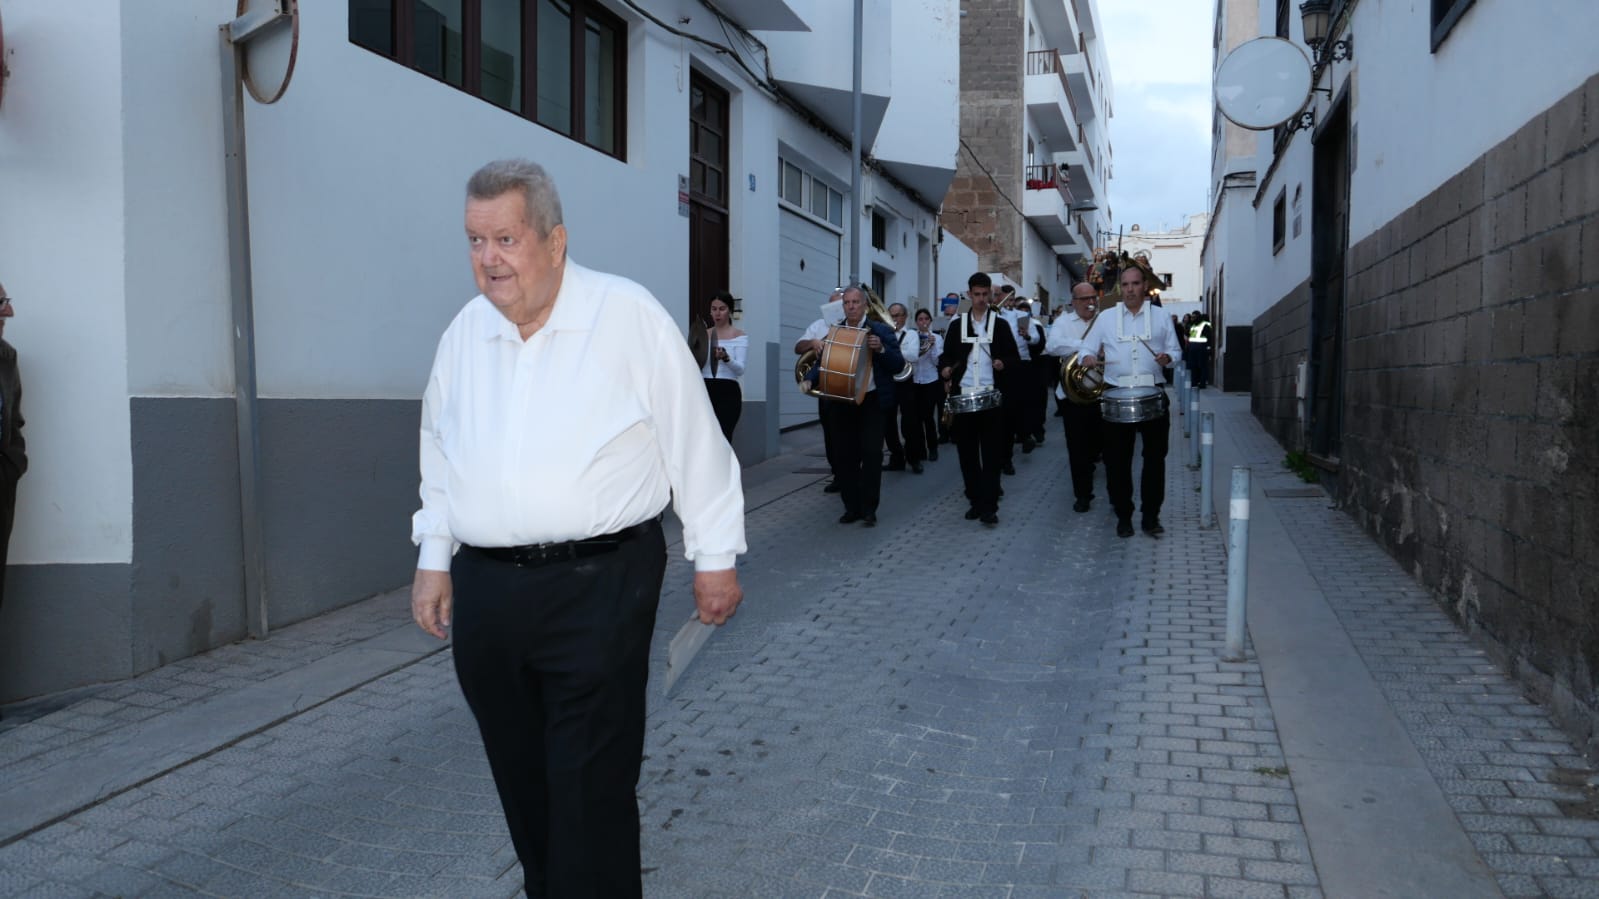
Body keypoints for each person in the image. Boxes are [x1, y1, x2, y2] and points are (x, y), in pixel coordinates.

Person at [409, 159, 745, 898]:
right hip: (488, 588)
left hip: (601, 583)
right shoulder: (465, 334)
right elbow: (440, 448)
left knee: (590, 783)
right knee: (522, 775)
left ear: (554, 241)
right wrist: (434, 555)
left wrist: (714, 554)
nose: (488, 259)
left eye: (505, 238)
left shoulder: (626, 316)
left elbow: (694, 440)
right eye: (474, 241)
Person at [1076, 266, 1183, 539]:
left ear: (1144, 285)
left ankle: (1150, 516)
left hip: (1153, 392)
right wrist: (1088, 357)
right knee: (1117, 461)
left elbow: (1176, 351)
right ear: (1120, 288)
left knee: (1155, 459)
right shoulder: (1106, 318)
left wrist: (1168, 358)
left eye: (1135, 283)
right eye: (1125, 284)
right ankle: (1123, 515)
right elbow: (1085, 348)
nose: (1130, 289)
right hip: (1116, 394)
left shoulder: (1161, 316)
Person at [939, 273, 1018, 525]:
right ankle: (974, 500)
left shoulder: (1000, 325)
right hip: (963, 396)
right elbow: (946, 356)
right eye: (977, 294)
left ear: (991, 296)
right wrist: (946, 369)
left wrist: (1003, 363)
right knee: (967, 454)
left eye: (985, 295)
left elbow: (1014, 358)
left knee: (992, 454)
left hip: (991, 397)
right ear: (969, 294)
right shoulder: (957, 325)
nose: (982, 299)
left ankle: (990, 506)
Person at [819, 286, 904, 526]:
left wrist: (882, 349)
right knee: (845, 456)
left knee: (872, 454)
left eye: (856, 302)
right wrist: (810, 379)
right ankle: (851, 507)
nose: (852, 307)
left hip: (872, 401)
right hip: (842, 402)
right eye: (847, 303)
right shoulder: (836, 331)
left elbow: (898, 365)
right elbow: (822, 362)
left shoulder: (881, 331)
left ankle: (869, 508)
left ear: (865, 305)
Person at [1045, 282, 1104, 513]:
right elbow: (1052, 346)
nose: (1090, 302)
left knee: (1100, 444)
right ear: (1074, 302)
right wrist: (1087, 347)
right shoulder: (1064, 322)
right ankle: (1083, 495)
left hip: (1101, 393)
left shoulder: (1104, 320)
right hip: (1073, 396)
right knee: (1077, 448)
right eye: (1085, 299)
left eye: (1093, 298)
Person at [796, 296, 846, 494]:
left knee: (849, 433)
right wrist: (813, 342)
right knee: (830, 434)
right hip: (826, 388)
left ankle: (850, 472)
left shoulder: (854, 326)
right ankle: (838, 474)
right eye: (833, 303)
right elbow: (798, 348)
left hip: (849, 387)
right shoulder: (818, 325)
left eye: (842, 303)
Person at [0, 285, 24, 622]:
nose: (9, 312)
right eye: (1, 302)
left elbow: (14, 420)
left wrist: (12, 465)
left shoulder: (7, 357)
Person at [700, 291, 747, 442]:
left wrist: (726, 358)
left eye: (722, 309)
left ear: (730, 310)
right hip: (705, 388)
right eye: (714, 309)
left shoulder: (739, 336)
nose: (717, 313)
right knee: (704, 437)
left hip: (728, 390)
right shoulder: (702, 335)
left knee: (723, 437)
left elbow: (740, 369)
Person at [883, 302, 924, 474]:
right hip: (888, 381)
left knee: (909, 422)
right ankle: (897, 458)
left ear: (905, 317)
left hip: (906, 381)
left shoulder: (911, 334)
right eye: (891, 315)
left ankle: (914, 459)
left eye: (897, 315)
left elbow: (913, 356)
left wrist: (889, 352)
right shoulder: (884, 333)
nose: (894, 319)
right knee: (888, 422)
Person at [910, 308, 944, 462]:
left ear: (930, 321)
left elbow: (937, 362)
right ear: (916, 322)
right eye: (920, 319)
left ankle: (933, 448)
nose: (923, 322)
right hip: (915, 379)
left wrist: (933, 345)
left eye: (926, 319)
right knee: (916, 418)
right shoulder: (912, 337)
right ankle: (920, 450)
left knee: (928, 416)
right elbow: (911, 358)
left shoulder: (937, 337)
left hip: (931, 380)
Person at [1186, 312, 1213, 389]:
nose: (1192, 318)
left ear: (1198, 317)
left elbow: (1209, 337)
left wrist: (1208, 348)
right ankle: (1194, 382)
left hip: (1201, 348)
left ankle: (1202, 383)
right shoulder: (1193, 325)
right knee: (1193, 366)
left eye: (1194, 317)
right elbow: (1189, 335)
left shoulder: (1205, 324)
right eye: (1192, 317)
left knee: (1202, 366)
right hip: (1193, 348)